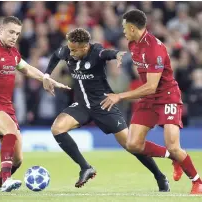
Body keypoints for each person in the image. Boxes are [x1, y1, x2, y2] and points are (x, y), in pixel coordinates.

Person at [44, 27, 178, 190]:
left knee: (131, 145)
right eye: (69, 49)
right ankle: (86, 167)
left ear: (85, 47)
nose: (70, 53)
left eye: (74, 50)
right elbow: (56, 56)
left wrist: (116, 55)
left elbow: (106, 54)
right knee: (57, 128)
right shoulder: (68, 50)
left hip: (104, 104)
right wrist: (46, 75)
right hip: (82, 105)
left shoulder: (96, 51)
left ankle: (160, 176)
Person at [101, 9, 202, 194]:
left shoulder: (154, 48)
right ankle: (172, 157)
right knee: (133, 145)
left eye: (124, 27)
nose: (122, 31)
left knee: (174, 145)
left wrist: (120, 96)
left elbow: (151, 86)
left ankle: (197, 182)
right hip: (149, 98)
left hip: (167, 96)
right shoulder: (132, 44)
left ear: (132, 28)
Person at [0, 16, 70, 192]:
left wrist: (47, 79)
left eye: (17, 34)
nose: (14, 36)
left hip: (6, 107)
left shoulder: (14, 54)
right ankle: (7, 180)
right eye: (11, 32)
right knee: (10, 130)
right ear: (1, 31)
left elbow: (27, 69)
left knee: (18, 159)